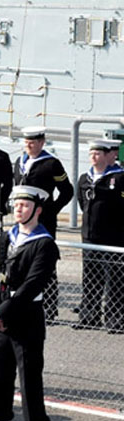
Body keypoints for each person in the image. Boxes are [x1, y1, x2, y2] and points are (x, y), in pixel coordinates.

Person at [0, 185, 59, 421]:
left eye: (25, 206)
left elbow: (33, 284)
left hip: (26, 317)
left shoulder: (45, 244)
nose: (18, 209)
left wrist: (2, 310)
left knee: (30, 382)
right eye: (16, 205)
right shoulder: (5, 238)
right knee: (0, 378)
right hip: (0, 317)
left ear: (37, 210)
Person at [14, 126, 74, 321]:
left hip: (43, 222)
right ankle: (23, 302)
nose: (29, 145)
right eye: (26, 141)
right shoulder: (19, 162)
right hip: (23, 220)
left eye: (33, 142)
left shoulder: (51, 164)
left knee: (45, 264)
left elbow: (67, 191)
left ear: (41, 142)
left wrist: (52, 209)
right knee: (22, 261)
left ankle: (48, 307)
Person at [76, 139, 124, 332]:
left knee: (115, 279)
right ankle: (89, 316)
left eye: (97, 154)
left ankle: (115, 319)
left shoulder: (119, 178)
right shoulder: (84, 179)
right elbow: (82, 203)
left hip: (113, 237)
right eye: (91, 154)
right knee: (90, 277)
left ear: (106, 156)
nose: (93, 157)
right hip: (89, 236)